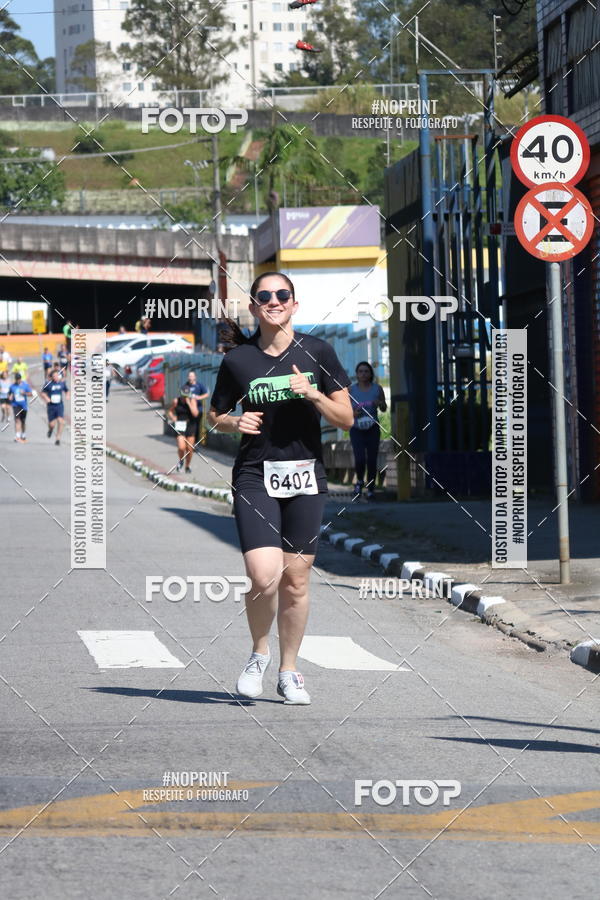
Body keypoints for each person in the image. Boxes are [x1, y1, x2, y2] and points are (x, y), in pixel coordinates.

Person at [208, 271, 353, 705]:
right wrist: (236, 421)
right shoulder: (239, 361)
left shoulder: (318, 351)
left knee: (296, 579)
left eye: (282, 295)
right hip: (255, 474)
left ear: (294, 303)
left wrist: (313, 393)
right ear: (253, 307)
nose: (274, 301)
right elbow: (215, 415)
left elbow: (345, 418)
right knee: (263, 575)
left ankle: (289, 671)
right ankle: (259, 654)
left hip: (306, 475)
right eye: (264, 296)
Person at [349, 361, 387, 501]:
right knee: (360, 459)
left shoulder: (377, 389)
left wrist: (380, 404)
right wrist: (353, 413)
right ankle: (359, 482)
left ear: (370, 373)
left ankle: (371, 488)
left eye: (366, 371)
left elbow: (384, 408)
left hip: (372, 429)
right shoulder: (351, 391)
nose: (363, 374)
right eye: (360, 371)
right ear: (357, 374)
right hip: (356, 429)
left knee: (372, 460)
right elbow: (345, 411)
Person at [167, 381, 200, 474]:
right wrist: (173, 418)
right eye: (184, 396)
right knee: (181, 447)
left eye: (187, 395)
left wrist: (189, 403)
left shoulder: (192, 401)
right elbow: (169, 411)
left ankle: (187, 465)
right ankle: (181, 460)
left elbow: (196, 414)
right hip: (180, 426)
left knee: (189, 448)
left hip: (191, 425)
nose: (185, 398)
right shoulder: (176, 401)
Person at [41, 369, 69, 445]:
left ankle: (58, 438)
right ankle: (50, 430)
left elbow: (66, 390)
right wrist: (46, 398)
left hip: (59, 405)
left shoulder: (62, 383)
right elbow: (43, 393)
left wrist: (67, 395)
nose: (56, 377)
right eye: (54, 376)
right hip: (51, 406)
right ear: (52, 377)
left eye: (57, 375)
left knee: (61, 421)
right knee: (52, 424)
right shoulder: (48, 384)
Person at [8, 372, 33, 442]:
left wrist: (24, 393)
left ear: (21, 379)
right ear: (15, 379)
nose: (18, 380)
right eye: (16, 379)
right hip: (15, 405)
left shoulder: (25, 385)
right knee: (17, 420)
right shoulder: (12, 386)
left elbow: (31, 394)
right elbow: (9, 394)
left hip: (23, 406)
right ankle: (17, 435)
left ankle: (23, 434)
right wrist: (9, 397)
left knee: (23, 421)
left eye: (19, 379)